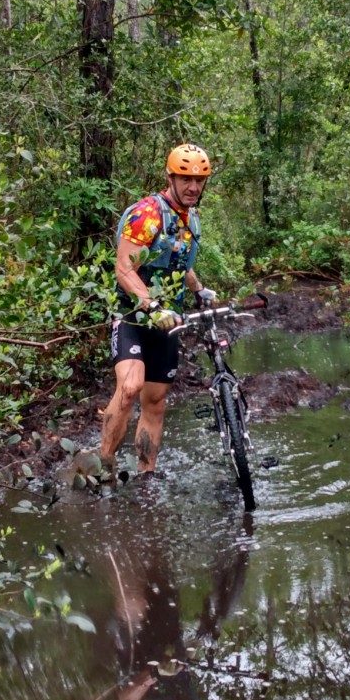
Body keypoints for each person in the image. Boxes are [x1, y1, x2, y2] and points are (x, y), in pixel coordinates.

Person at [99, 143, 218, 475]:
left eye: (199, 180)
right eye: (185, 179)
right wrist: (149, 304)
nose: (193, 187)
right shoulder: (148, 214)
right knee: (130, 389)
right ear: (171, 177)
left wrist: (198, 289)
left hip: (168, 321)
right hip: (132, 316)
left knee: (154, 403)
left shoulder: (189, 217)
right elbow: (124, 268)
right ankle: (103, 464)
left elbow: (177, 263)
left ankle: (145, 476)